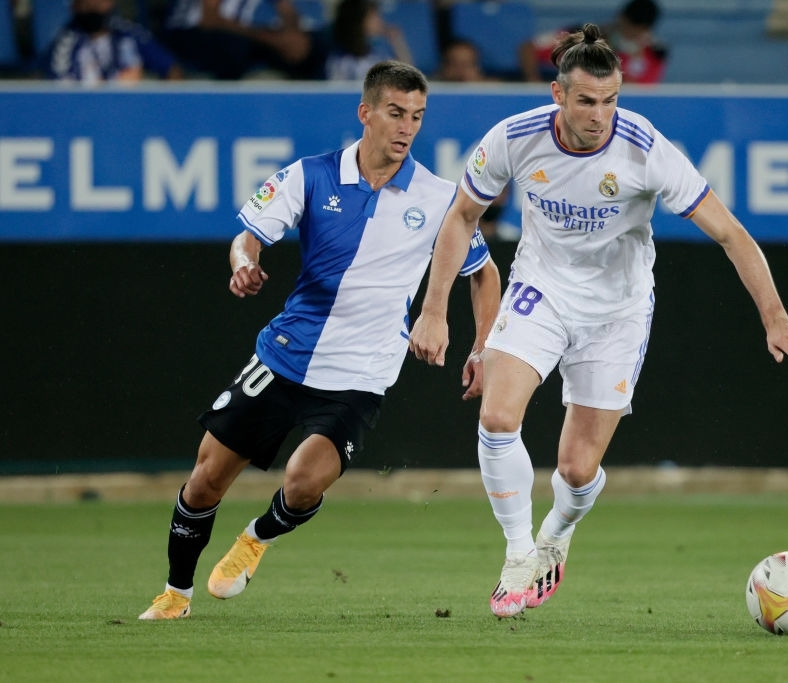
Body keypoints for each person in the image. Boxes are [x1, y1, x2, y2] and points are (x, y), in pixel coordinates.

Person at [409, 24, 788, 618]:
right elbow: (460, 216)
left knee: (576, 469)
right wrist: (435, 311)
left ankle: (556, 534)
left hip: (617, 310)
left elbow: (730, 233)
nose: (600, 115)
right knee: (498, 415)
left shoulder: (645, 148)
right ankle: (520, 555)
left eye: (611, 99)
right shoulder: (513, 139)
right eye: (587, 100)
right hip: (540, 290)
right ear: (557, 95)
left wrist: (776, 317)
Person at [138, 60, 501, 620]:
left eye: (418, 117)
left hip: (361, 376)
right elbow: (248, 239)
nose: (407, 127)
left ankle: (256, 539)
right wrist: (242, 264)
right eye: (396, 113)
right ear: (366, 113)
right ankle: (174, 595)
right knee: (206, 480)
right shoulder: (310, 175)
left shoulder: (438, 198)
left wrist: (480, 347)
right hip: (284, 358)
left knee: (304, 483)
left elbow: (484, 274)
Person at [160, 0, 328, 79]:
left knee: (314, 47)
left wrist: (293, 36)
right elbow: (210, 19)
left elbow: (287, 11)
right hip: (192, 32)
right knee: (233, 47)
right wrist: (273, 40)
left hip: (250, 36)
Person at [519, 0, 668, 84]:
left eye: (637, 32)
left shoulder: (655, 54)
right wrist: (534, 83)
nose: (630, 34)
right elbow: (528, 48)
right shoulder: (580, 34)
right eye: (628, 28)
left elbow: (641, 91)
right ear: (620, 18)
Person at [44, 0, 183, 84]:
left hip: (132, 114)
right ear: (75, 5)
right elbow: (61, 90)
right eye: (87, 3)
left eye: (100, 2)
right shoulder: (65, 43)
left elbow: (171, 69)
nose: (94, 5)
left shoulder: (129, 34)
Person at [325, 0, 412, 82]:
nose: (379, 22)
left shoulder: (377, 57)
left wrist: (396, 40)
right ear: (358, 22)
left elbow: (408, 75)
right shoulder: (340, 61)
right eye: (373, 18)